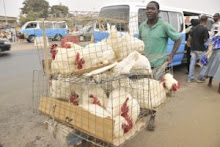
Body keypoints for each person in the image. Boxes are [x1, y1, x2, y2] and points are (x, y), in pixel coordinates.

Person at [139, 1, 181, 68]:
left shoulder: (164, 25)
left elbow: (178, 39)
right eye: (147, 9)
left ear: (158, 11)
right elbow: (140, 43)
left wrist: (171, 55)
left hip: (159, 66)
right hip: (144, 65)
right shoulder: (142, 26)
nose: (149, 11)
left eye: (152, 9)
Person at [187, 15, 209, 83]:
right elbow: (205, 40)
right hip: (201, 49)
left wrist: (189, 45)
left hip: (193, 48)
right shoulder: (205, 29)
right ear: (206, 21)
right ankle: (200, 78)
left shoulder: (194, 28)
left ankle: (190, 78)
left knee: (192, 63)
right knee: (204, 64)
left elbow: (189, 38)